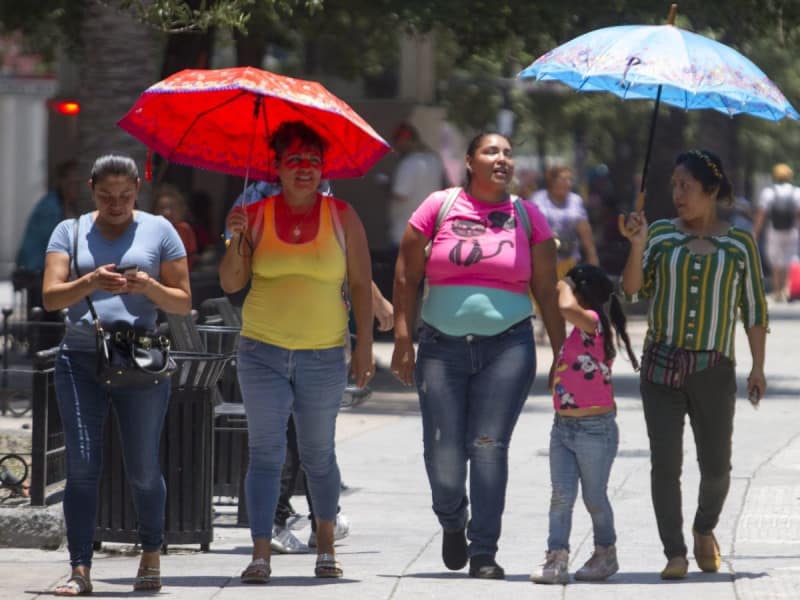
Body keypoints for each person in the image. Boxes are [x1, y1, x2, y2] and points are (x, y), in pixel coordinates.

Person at [391, 132, 565, 579]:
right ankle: (453, 519)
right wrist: (403, 337)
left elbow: (547, 290)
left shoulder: (528, 216)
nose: (502, 159)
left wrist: (561, 355)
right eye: (491, 151)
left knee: (488, 446)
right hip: (440, 348)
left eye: (508, 153)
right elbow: (406, 276)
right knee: (444, 451)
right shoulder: (439, 206)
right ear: (470, 161)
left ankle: (484, 550)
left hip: (508, 346)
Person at [220, 121, 374, 583]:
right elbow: (231, 282)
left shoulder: (343, 215)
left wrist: (364, 346)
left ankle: (324, 543)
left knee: (318, 455)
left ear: (323, 168)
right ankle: (260, 554)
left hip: (323, 353)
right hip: (261, 351)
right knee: (265, 454)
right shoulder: (254, 214)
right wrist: (235, 238)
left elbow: (361, 284)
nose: (304, 168)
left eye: (313, 160)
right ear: (277, 168)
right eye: (294, 160)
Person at [42, 154, 192, 596]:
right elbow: (51, 297)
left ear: (138, 189)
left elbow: (183, 301)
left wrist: (149, 287)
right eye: (106, 195)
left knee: (143, 467)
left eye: (125, 195)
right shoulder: (69, 231)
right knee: (82, 466)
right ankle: (80, 569)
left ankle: (151, 553)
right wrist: (90, 281)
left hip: (139, 359)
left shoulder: (159, 230)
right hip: (80, 358)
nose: (116, 204)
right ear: (91, 189)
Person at [620, 149, 768, 580]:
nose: (678, 194)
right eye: (674, 185)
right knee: (666, 464)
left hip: (714, 370)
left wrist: (757, 367)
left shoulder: (739, 244)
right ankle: (675, 552)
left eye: (687, 186)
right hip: (660, 367)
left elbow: (754, 309)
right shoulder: (660, 235)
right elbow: (632, 291)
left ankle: (704, 528)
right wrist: (637, 245)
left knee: (717, 468)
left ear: (712, 190)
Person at [530, 264, 639, 585]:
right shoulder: (579, 333)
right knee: (561, 496)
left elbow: (565, 306)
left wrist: (563, 281)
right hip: (563, 428)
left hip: (595, 429)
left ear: (582, 293)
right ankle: (556, 557)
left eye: (571, 288)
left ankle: (605, 552)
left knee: (594, 498)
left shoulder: (594, 324)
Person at [14, 159, 81, 350]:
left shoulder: (65, 205)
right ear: (62, 182)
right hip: (37, 272)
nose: (75, 188)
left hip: (47, 270)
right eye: (71, 183)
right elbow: (54, 245)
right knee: (45, 322)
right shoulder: (50, 207)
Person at [531, 166, 600, 277]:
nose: (568, 183)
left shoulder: (576, 200)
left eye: (570, 179)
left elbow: (584, 231)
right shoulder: (538, 199)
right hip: (543, 260)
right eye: (563, 179)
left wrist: (592, 257)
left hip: (569, 260)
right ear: (552, 181)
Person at [752, 163, 800, 301]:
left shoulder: (769, 192)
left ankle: (777, 290)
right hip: (792, 231)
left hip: (774, 231)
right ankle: (786, 289)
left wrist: (755, 232)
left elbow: (761, 214)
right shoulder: (796, 192)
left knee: (776, 261)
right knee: (790, 259)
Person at [153, 183, 199, 270]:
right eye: (162, 208)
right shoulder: (151, 230)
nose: (167, 212)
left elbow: (192, 255)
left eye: (172, 208)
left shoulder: (185, 229)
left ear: (181, 209)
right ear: (155, 211)